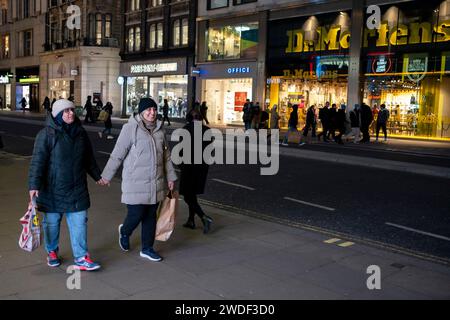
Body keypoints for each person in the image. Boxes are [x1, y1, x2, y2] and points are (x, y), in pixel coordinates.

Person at [28, 99, 105, 270]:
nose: (71, 113)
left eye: (72, 110)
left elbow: (88, 159)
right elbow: (37, 163)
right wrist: (33, 186)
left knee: (79, 223)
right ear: (57, 115)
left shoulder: (80, 133)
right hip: (52, 190)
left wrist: (98, 176)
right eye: (66, 111)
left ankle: (82, 257)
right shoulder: (46, 135)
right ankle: (52, 252)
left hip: (76, 188)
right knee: (52, 224)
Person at [101, 98, 177, 262]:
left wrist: (171, 177)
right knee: (136, 214)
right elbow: (118, 154)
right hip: (134, 182)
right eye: (148, 110)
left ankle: (147, 249)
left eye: (154, 110)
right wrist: (107, 176)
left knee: (150, 216)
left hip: (155, 182)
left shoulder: (160, 131)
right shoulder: (130, 129)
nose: (152, 113)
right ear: (141, 112)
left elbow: (166, 157)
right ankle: (125, 231)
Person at [179, 109, 214, 234]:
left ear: (189, 117)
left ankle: (204, 217)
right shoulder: (207, 130)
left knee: (188, 196)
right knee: (192, 195)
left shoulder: (186, 129)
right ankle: (190, 220)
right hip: (202, 168)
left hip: (189, 167)